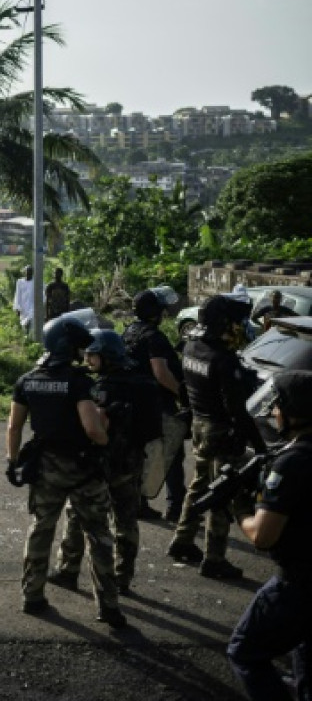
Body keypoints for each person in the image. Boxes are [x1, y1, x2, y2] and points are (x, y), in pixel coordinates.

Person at [6, 317, 127, 629]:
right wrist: (106, 433)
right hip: (83, 468)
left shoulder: (28, 380)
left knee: (41, 528)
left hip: (44, 467)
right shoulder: (78, 382)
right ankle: (109, 607)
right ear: (68, 347)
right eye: (77, 347)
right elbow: (91, 428)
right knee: (98, 535)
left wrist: (12, 460)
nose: (80, 353)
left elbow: (15, 426)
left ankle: (32, 595)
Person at [49, 330, 163, 596]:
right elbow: (154, 430)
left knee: (77, 515)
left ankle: (68, 570)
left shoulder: (99, 387)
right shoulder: (144, 383)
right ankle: (122, 577)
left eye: (92, 354)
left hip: (98, 464)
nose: (88, 359)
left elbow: (91, 427)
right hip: (131, 462)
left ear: (106, 356)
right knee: (125, 520)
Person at [227, 370, 312, 700]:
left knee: (245, 652)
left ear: (295, 411)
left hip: (298, 582)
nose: (274, 412)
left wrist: (241, 511)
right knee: (305, 657)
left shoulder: (293, 463)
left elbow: (263, 536)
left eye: (278, 406)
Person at [167, 295, 264, 579]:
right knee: (222, 491)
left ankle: (182, 540)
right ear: (224, 323)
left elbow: (185, 387)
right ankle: (214, 559)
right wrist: (257, 444)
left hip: (199, 424)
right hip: (220, 429)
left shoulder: (192, 345)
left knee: (199, 484)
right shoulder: (223, 358)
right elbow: (237, 409)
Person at [124, 286, 188, 522]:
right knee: (171, 454)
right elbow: (160, 372)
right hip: (158, 403)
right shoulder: (154, 337)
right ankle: (176, 507)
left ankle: (140, 502)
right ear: (154, 312)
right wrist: (181, 394)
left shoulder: (130, 332)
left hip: (134, 403)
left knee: (142, 453)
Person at [14, 267, 35, 333]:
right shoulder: (20, 282)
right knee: (24, 326)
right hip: (23, 307)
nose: (29, 273)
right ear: (25, 272)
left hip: (33, 307)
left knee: (31, 323)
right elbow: (17, 295)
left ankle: (31, 339)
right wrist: (17, 308)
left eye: (30, 272)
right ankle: (26, 339)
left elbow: (45, 289)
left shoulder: (35, 281)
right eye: (27, 272)